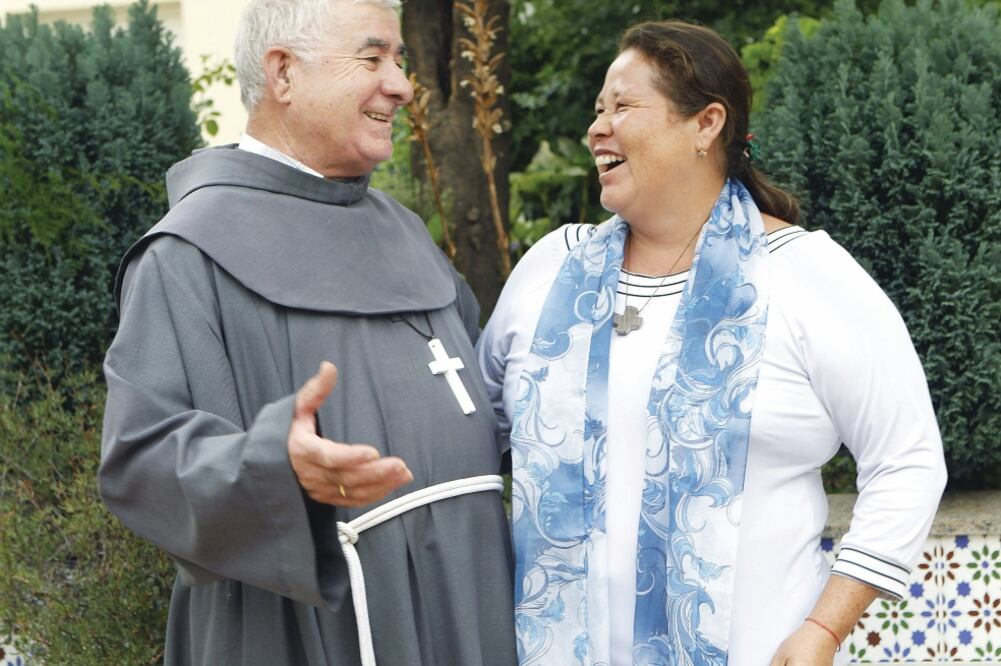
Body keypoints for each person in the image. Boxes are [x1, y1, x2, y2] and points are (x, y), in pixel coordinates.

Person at [477, 19, 947, 666]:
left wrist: (823, 630)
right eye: (596, 110)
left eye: (622, 106)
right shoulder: (548, 271)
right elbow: (472, 441)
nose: (596, 128)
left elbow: (908, 459)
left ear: (705, 125)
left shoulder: (803, 275)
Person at [98, 1, 517, 664]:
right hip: (308, 631)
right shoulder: (189, 255)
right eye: (372, 56)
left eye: (400, 60)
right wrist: (270, 467)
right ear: (284, 73)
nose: (402, 85)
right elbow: (141, 460)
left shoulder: (403, 233)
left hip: (465, 601)